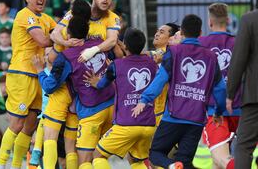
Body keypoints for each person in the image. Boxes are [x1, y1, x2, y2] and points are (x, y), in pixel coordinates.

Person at [132, 14, 226, 168]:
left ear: (181, 32)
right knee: (185, 162)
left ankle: (171, 166)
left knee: (155, 154)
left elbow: (160, 79)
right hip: (196, 120)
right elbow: (221, 88)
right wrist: (218, 112)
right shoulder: (211, 56)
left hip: (173, 117)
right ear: (200, 33)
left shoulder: (174, 52)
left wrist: (145, 99)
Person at [32, 15, 115, 168]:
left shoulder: (66, 57)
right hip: (113, 107)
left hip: (91, 110)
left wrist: (39, 70)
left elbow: (50, 86)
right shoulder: (100, 44)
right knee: (99, 157)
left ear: (68, 34)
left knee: (84, 161)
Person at [0, 0, 56, 169]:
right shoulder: (24, 15)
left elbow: (61, 33)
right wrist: (62, 37)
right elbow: (44, 40)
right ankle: (0, 165)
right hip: (21, 73)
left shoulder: (46, 18)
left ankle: (16, 166)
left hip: (38, 74)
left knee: (30, 127)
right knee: (16, 124)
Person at [83, 28, 158, 169]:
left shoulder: (116, 65)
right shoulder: (152, 64)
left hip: (126, 124)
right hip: (148, 125)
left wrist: (95, 81)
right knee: (137, 161)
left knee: (98, 155)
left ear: (125, 45)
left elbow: (102, 84)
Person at [31, 0, 91, 169]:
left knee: (50, 136)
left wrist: (40, 70)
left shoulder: (65, 49)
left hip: (63, 88)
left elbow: (50, 84)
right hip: (82, 92)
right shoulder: (93, 33)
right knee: (71, 144)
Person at [198, 3, 239, 169]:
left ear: (209, 22)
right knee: (218, 163)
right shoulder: (239, 43)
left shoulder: (201, 44)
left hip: (214, 110)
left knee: (223, 159)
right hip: (240, 107)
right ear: (228, 20)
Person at [51, 0, 121, 62]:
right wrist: (65, 43)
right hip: (73, 64)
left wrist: (92, 51)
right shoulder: (75, 12)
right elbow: (54, 33)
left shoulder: (113, 17)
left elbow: (112, 40)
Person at [226, 10, 258, 169]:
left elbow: (239, 59)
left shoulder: (250, 20)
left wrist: (230, 93)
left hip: (255, 96)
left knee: (244, 146)